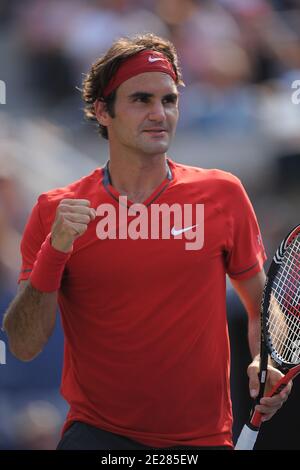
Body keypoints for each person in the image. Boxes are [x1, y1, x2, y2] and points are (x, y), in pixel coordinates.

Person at [2, 33, 292, 450]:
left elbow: (260, 305)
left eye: (169, 100)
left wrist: (266, 358)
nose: (159, 114)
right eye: (141, 100)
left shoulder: (223, 193)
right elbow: (25, 345)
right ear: (103, 111)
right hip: (98, 437)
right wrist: (55, 249)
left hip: (201, 441)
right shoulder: (56, 209)